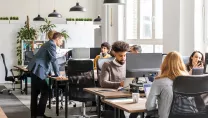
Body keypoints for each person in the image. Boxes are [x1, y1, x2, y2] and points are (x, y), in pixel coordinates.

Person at [130, 51, 189, 118]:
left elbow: (149, 106)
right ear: (182, 64)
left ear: (164, 64)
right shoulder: (189, 80)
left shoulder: (159, 81)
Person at [28, 32, 64, 118]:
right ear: (57, 39)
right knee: (46, 91)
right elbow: (53, 60)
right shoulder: (52, 45)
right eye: (62, 40)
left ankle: (34, 115)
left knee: (35, 93)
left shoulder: (48, 43)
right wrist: (58, 74)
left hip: (35, 69)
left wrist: (49, 72)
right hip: (38, 70)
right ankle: (39, 114)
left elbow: (46, 59)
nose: (62, 42)